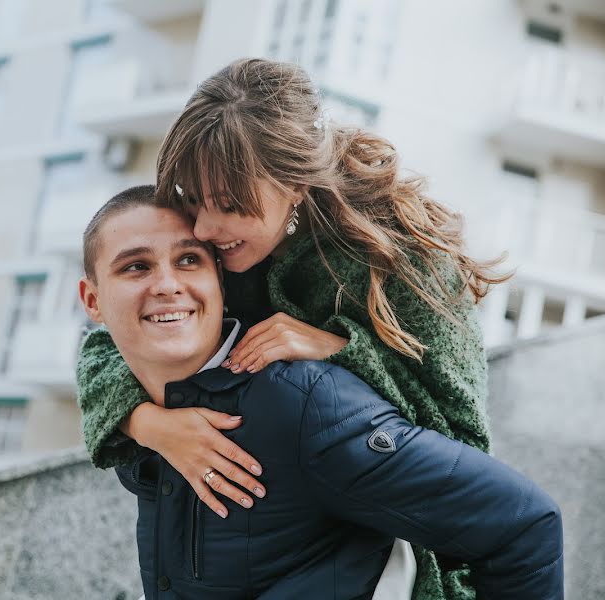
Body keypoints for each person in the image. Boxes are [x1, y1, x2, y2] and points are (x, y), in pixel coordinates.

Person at [77, 59, 508, 598]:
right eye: (194, 197)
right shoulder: (222, 244)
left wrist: (344, 352)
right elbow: (107, 340)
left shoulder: (406, 264)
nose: (205, 230)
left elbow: (463, 450)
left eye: (231, 206)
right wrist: (150, 426)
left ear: (296, 184)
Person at [77, 187, 563, 599]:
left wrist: (342, 349)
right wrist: (143, 421)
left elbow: (524, 525)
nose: (167, 285)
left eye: (188, 260)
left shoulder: (301, 405)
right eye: (136, 267)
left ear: (221, 281)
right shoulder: (141, 407)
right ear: (93, 301)